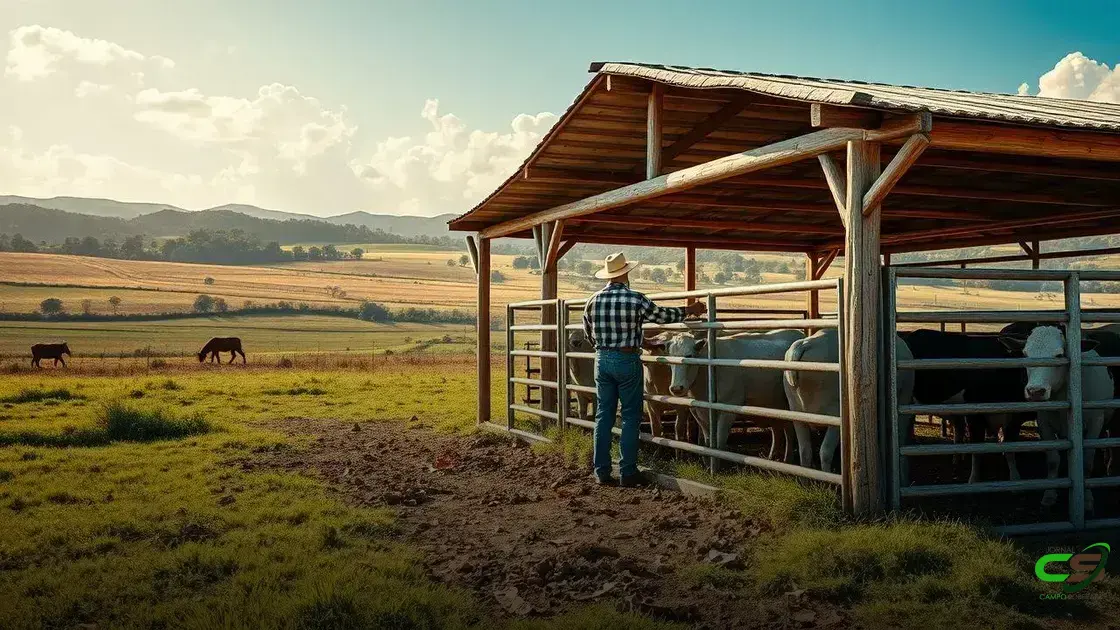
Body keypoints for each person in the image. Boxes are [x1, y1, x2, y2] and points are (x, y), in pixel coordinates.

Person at [582, 252, 706, 486]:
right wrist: (689, 309)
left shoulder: (592, 301)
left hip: (602, 359)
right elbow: (661, 316)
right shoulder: (635, 299)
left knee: (604, 415)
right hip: (627, 360)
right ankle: (627, 471)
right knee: (630, 416)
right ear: (626, 273)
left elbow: (590, 334)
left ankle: (601, 471)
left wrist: (625, 343)